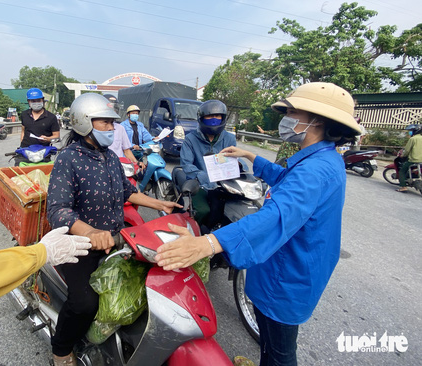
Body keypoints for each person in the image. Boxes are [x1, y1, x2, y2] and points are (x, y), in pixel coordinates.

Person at [155, 82, 361, 366]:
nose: (286, 118)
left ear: (316, 120)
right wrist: (251, 156)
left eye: (291, 112)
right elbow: (285, 179)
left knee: (281, 352)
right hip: (297, 263)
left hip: (288, 274)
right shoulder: (323, 159)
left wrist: (208, 243)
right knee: (273, 343)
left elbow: (273, 217)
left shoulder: (314, 171)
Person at [47, 93, 181, 366]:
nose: (112, 128)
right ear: (84, 123)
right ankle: (61, 350)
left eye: (113, 123)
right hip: (82, 245)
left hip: (119, 239)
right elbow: (58, 209)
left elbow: (128, 192)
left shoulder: (109, 156)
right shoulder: (68, 159)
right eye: (105, 123)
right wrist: (90, 233)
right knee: (85, 304)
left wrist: (161, 204)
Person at [180, 100, 236, 231]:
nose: (214, 119)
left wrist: (240, 166)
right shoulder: (190, 139)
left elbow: (235, 159)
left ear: (223, 118)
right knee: (202, 211)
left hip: (224, 184)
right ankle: (193, 233)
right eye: (210, 116)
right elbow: (186, 165)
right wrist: (204, 175)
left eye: (217, 116)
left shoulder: (229, 139)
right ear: (201, 118)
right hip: (199, 184)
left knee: (231, 210)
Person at [396, 124, 422, 193]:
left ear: (415, 131)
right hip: (421, 161)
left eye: (411, 131)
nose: (410, 132)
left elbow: (407, 150)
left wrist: (403, 155)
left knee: (402, 171)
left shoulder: (413, 139)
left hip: (413, 160)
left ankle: (403, 187)